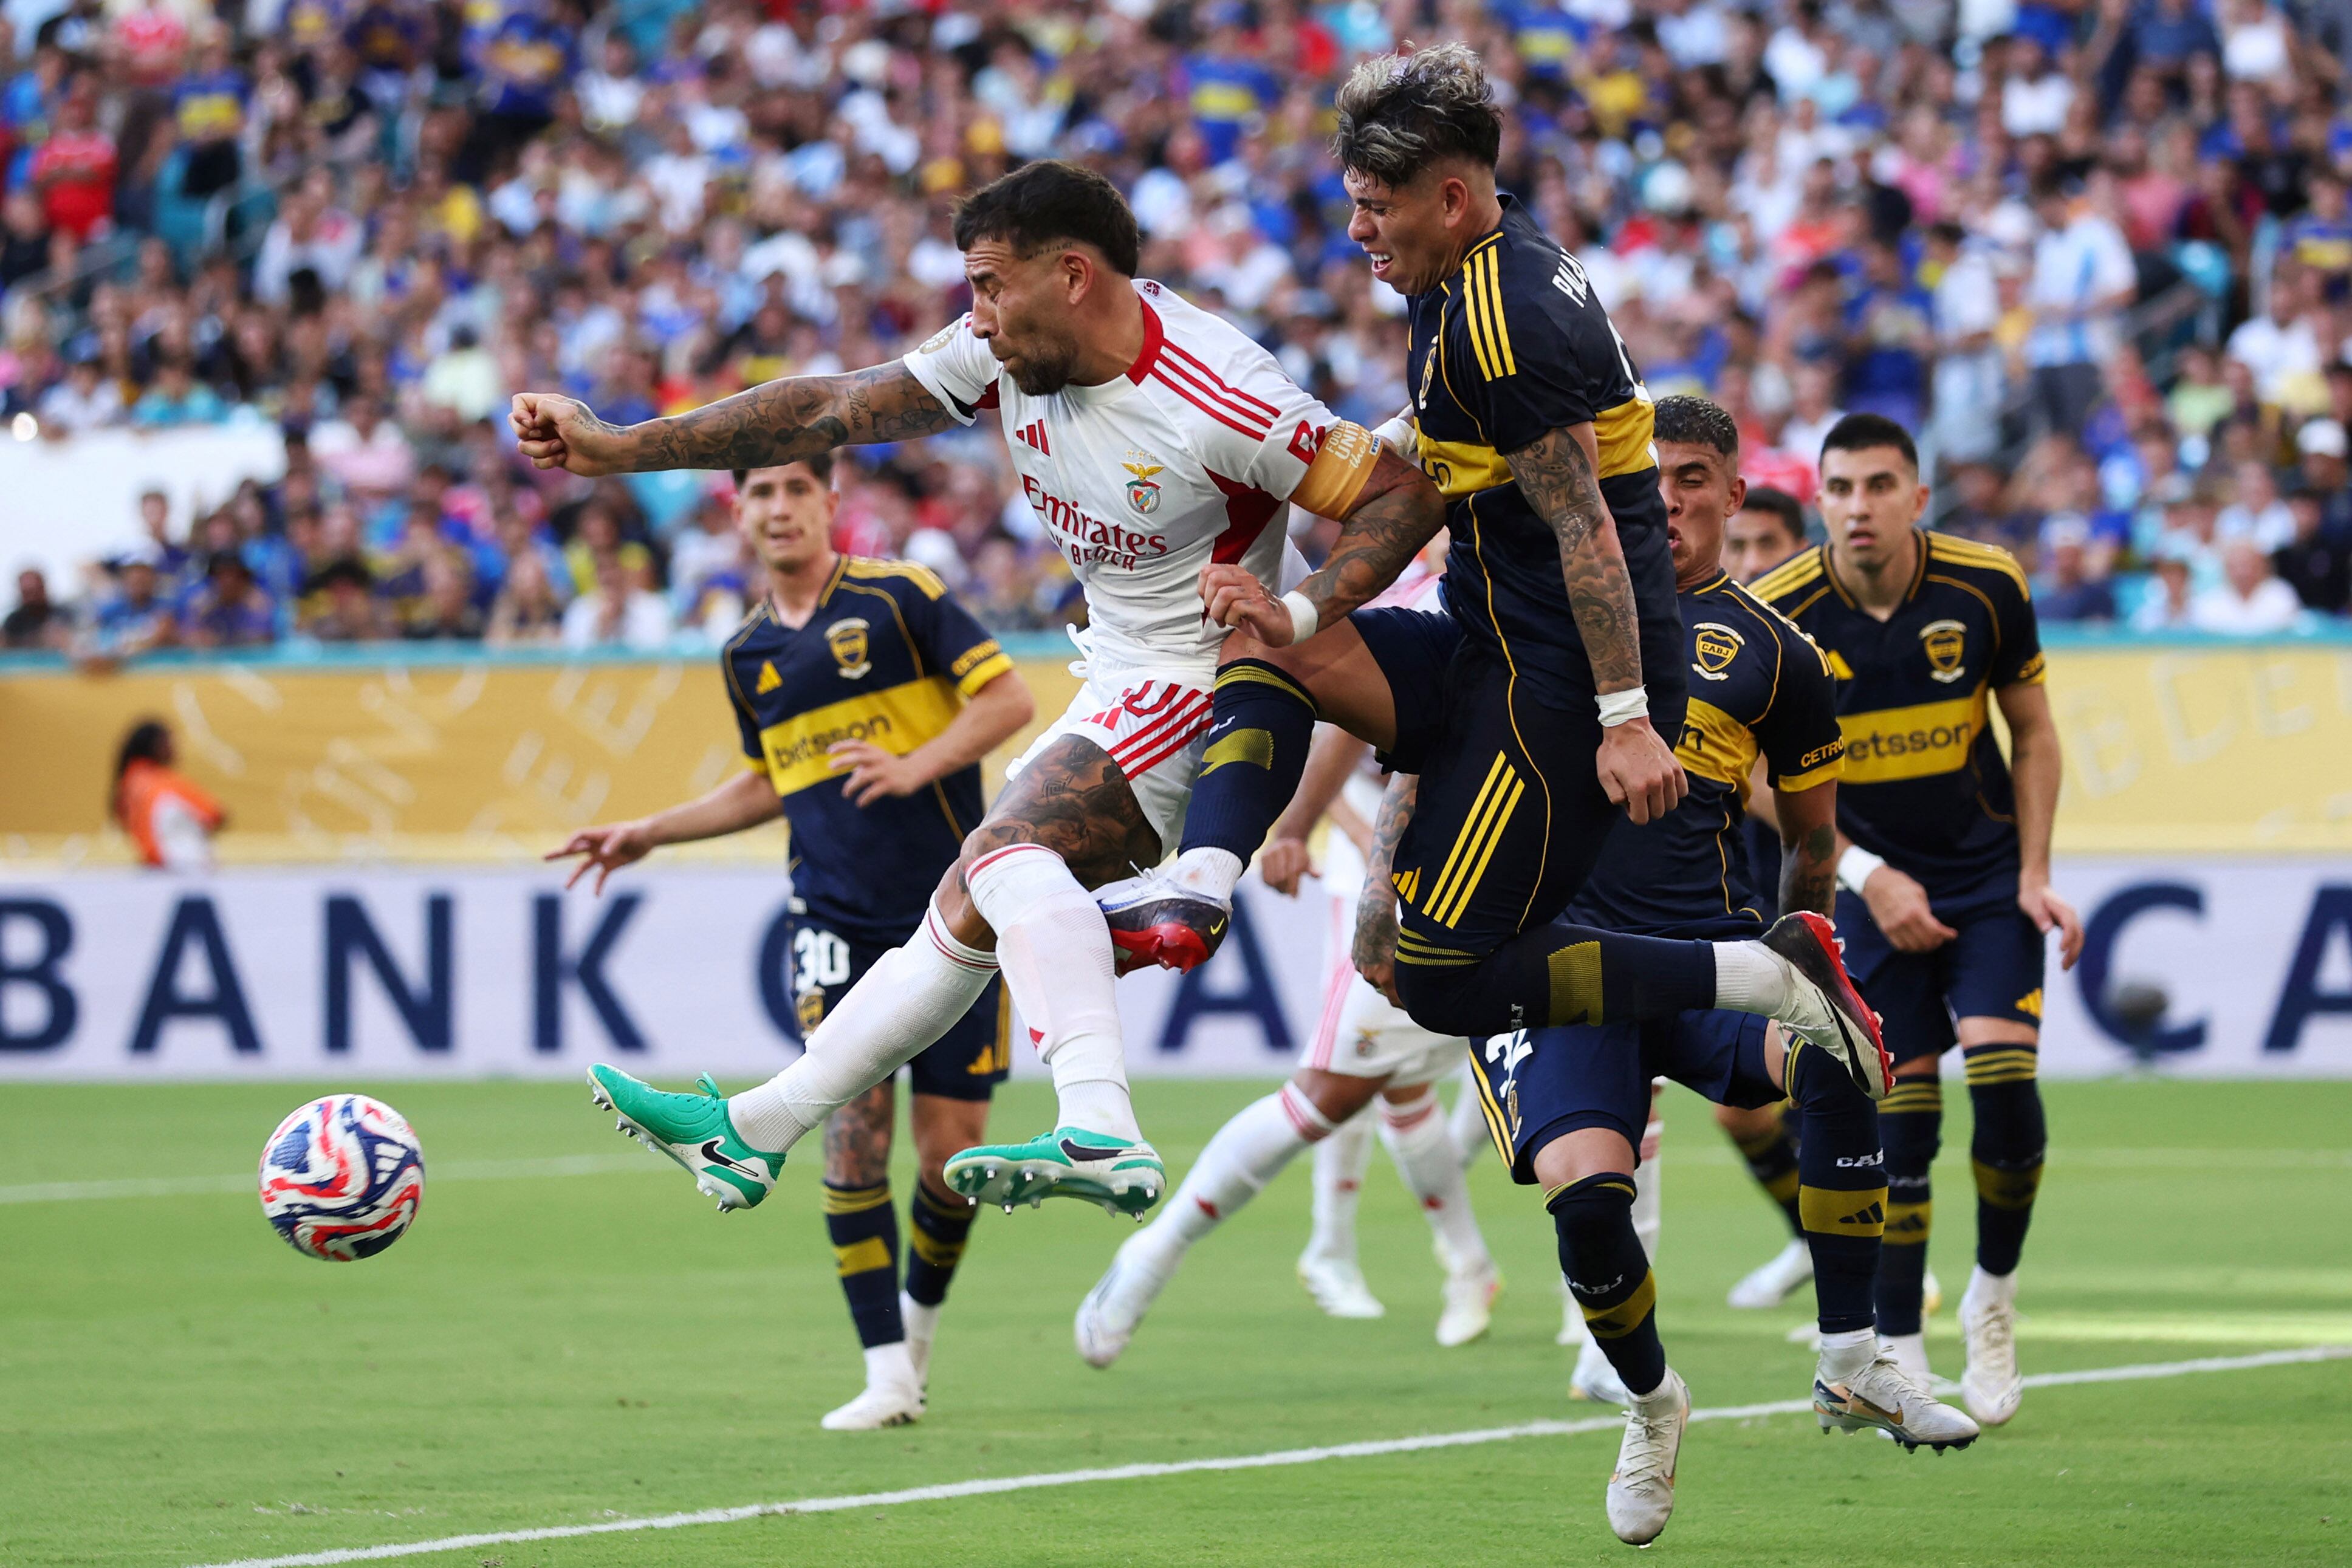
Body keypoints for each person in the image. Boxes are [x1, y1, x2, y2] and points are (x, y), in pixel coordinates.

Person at [1101, 50, 1894, 1546]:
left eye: (1376, 204)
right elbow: (1433, 479)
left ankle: (1769, 975)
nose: (1358, 228)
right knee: (1280, 629)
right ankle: (1202, 877)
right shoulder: (1476, 279)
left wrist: (1619, 715)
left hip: (1551, 680)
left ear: (1450, 195)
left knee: (1446, 970)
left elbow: (1592, 522)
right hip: (1484, 639)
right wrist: (1320, 580)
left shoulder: (1502, 312)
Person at [513, 158, 1447, 1222]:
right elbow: (829, 406)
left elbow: (1398, 493)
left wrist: (1303, 610)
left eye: (992, 286)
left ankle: (1099, 1121)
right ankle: (756, 1129)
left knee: (1006, 857)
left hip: (1203, 672)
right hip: (1120, 665)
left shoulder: (1216, 396)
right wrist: (623, 445)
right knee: (963, 909)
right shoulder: (1005, 353)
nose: (979, 315)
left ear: (1074, 275)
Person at [550, 456, 1034, 1433]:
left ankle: (916, 1335)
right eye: (758, 495)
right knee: (851, 1136)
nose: (776, 509)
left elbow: (1008, 705)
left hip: (955, 913)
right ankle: (885, 1372)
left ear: (828, 501)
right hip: (831, 918)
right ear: (739, 514)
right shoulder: (745, 655)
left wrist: (915, 765)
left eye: (792, 491)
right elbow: (768, 783)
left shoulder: (903, 598)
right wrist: (651, 829)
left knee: (950, 1163)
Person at [1073, 559, 1504, 1369]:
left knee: (1345, 1089)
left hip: (1498, 870)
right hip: (1414, 875)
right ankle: (1449, 1263)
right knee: (1361, 1084)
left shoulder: (1533, 563)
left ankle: (1155, 1255)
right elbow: (1354, 719)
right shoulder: (1429, 587)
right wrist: (1303, 823)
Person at [1752, 413, 2085, 1428]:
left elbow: (2031, 734)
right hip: (1860, 889)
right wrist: (1861, 871)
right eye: (1842, 488)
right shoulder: (1779, 609)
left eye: (1881, 485)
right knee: (1902, 1119)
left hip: (1983, 878)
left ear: (1917, 497)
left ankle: (1992, 1294)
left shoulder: (1988, 584)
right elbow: (1759, 779)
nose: (1861, 506)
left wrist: (2033, 871)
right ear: (1820, 501)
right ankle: (1898, 1341)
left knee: (2004, 1077)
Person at [111, 719, 224, 871]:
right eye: (169, 741)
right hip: (180, 868)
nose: (175, 747)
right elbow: (214, 813)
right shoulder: (161, 782)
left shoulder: (127, 783)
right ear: (155, 746)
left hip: (150, 867)